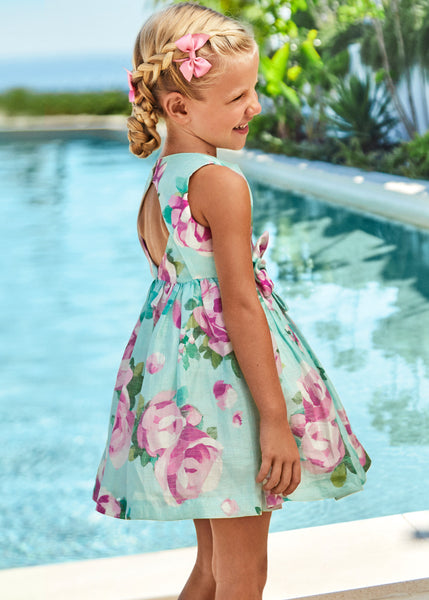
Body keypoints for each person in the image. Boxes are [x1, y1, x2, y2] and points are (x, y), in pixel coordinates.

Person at [92, 2, 371, 598]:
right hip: (232, 399)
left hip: (187, 392)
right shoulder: (219, 183)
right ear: (178, 107)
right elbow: (238, 306)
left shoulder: (163, 179)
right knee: (244, 575)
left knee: (211, 569)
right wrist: (274, 420)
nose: (256, 107)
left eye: (254, 90)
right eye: (239, 95)